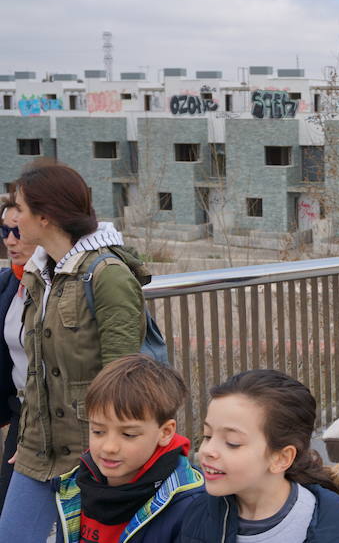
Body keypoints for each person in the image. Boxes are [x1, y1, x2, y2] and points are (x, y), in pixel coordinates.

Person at [0, 162, 149, 541]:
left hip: (92, 452)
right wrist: (27, 438)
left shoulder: (107, 273)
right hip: (37, 448)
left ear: (45, 216)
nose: (13, 218)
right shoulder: (39, 272)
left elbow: (123, 376)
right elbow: (36, 369)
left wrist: (114, 453)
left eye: (19, 207)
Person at [178, 369, 339, 542]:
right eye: (207, 436)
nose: (207, 451)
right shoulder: (200, 513)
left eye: (232, 443)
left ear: (281, 458)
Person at [53, 354, 203, 542]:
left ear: (165, 432)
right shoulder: (73, 488)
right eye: (98, 431)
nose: (109, 447)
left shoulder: (190, 505)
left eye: (128, 435)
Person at [0, 198, 36, 509]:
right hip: (20, 412)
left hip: (55, 417)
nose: (9, 240)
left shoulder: (55, 284)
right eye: (3, 230)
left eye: (17, 230)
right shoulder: (8, 282)